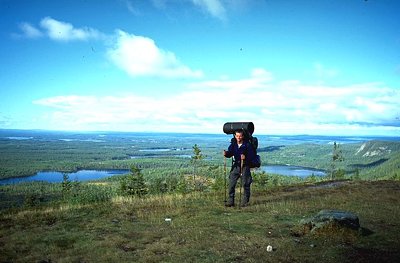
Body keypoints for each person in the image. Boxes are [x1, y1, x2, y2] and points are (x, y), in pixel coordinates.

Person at [223, 129, 255, 207]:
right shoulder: (233, 144)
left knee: (245, 184)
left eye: (240, 136)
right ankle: (231, 201)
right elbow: (230, 153)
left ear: (243, 136)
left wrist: (245, 157)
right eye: (237, 136)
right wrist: (226, 153)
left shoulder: (247, 145)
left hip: (245, 166)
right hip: (236, 165)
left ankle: (245, 202)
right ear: (235, 136)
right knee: (231, 183)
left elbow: (252, 156)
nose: (238, 137)